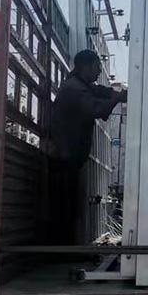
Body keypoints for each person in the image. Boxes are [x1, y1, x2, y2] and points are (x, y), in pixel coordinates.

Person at [47, 49, 126, 244]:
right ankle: (62, 252)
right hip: (63, 161)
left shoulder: (81, 85)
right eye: (97, 67)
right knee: (65, 212)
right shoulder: (74, 89)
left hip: (68, 160)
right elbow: (96, 108)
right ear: (86, 66)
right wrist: (117, 98)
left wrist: (118, 94)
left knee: (69, 209)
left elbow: (99, 91)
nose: (99, 71)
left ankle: (66, 250)